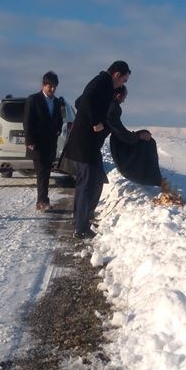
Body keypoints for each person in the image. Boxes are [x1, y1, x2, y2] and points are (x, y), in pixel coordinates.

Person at [62, 60, 130, 239]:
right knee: (87, 185)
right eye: (124, 80)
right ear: (117, 75)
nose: (123, 85)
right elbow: (84, 101)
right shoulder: (102, 83)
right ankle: (81, 228)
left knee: (87, 183)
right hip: (85, 144)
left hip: (86, 143)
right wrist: (94, 122)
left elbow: (79, 101)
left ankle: (79, 221)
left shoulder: (103, 84)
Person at [105, 86, 163, 187]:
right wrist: (139, 136)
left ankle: (152, 179)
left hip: (118, 141)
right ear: (119, 96)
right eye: (124, 97)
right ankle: (151, 180)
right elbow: (120, 133)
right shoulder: (113, 108)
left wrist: (139, 135)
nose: (124, 100)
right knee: (149, 142)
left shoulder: (111, 106)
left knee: (147, 136)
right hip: (119, 146)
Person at [23, 71, 64, 212]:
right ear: (43, 85)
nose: (52, 89)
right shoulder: (33, 99)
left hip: (50, 143)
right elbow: (27, 121)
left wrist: (58, 130)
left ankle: (44, 200)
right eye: (50, 86)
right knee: (41, 173)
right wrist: (29, 140)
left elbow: (59, 119)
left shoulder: (57, 102)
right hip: (37, 144)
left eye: (54, 87)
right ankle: (41, 202)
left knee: (46, 173)